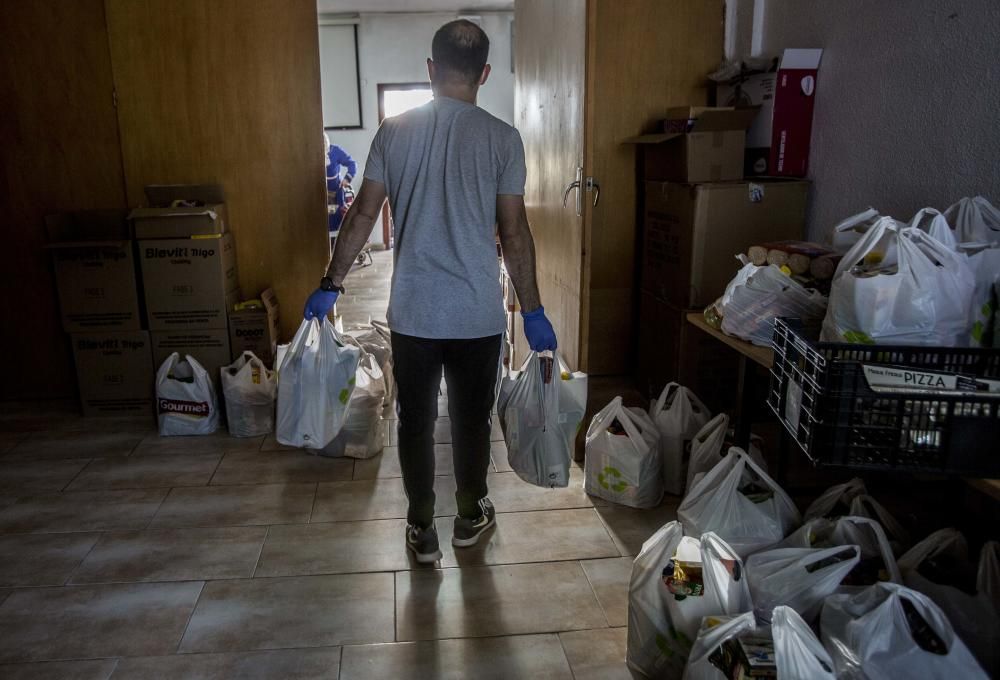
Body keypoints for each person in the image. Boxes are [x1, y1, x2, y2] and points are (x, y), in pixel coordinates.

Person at [303, 19, 557, 564]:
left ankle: (421, 528)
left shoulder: (393, 132)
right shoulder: (502, 138)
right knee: (471, 420)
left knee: (415, 422)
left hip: (413, 313)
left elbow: (362, 214)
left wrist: (331, 284)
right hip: (477, 316)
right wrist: (532, 310)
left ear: (430, 70)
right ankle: (469, 514)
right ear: (484, 73)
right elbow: (513, 231)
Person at [324, 133, 357, 240]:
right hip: (317, 193)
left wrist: (347, 179)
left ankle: (336, 250)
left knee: (335, 223)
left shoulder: (335, 151)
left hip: (335, 194)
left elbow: (352, 164)